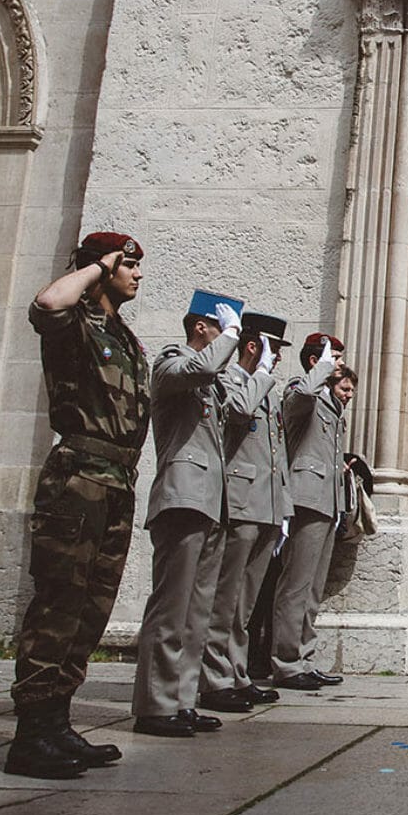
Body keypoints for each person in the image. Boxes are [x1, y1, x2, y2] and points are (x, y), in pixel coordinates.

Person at [5, 233, 150, 779]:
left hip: (116, 482)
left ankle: (57, 723)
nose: (137, 274)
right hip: (77, 480)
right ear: (103, 266)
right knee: (59, 602)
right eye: (129, 265)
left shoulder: (123, 336)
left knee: (91, 609)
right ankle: (31, 734)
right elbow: (46, 303)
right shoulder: (75, 324)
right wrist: (96, 266)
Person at [132, 289, 243, 738]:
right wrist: (229, 338)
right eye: (222, 329)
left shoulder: (212, 382)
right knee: (171, 608)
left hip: (211, 503)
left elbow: (240, 410)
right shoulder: (172, 361)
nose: (229, 340)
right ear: (202, 327)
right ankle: (155, 706)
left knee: (197, 611)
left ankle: (182, 699)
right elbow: (200, 365)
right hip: (181, 497)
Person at [198, 312, 292, 712]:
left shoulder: (263, 386)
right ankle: (214, 678)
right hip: (239, 501)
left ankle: (236, 672)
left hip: (266, 505)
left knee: (245, 602)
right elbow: (237, 412)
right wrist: (261, 373)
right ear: (254, 345)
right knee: (226, 597)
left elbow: (277, 454)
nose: (278, 359)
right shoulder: (231, 378)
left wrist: (283, 507)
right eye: (274, 349)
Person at [271, 336, 352, 692]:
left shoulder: (331, 401)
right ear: (313, 360)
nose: (336, 362)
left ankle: (303, 657)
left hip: (327, 500)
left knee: (313, 588)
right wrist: (319, 367)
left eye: (337, 357)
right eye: (331, 357)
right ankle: (286, 663)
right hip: (306, 498)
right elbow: (298, 400)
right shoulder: (303, 391)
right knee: (296, 585)